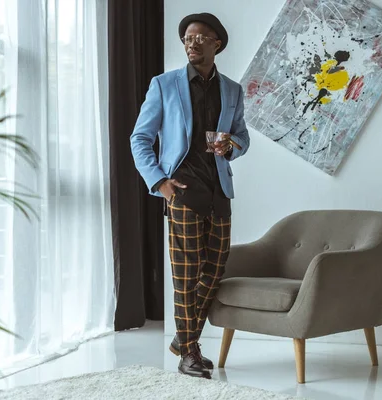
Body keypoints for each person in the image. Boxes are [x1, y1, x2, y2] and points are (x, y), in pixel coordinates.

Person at [130, 12, 250, 379]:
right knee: (184, 276)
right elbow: (140, 138)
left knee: (214, 272)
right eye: (187, 38)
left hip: (218, 191)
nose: (192, 43)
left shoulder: (232, 90)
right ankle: (190, 352)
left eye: (200, 38)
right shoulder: (163, 85)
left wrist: (231, 147)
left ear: (217, 44)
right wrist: (160, 182)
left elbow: (243, 138)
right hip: (181, 190)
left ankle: (183, 339)